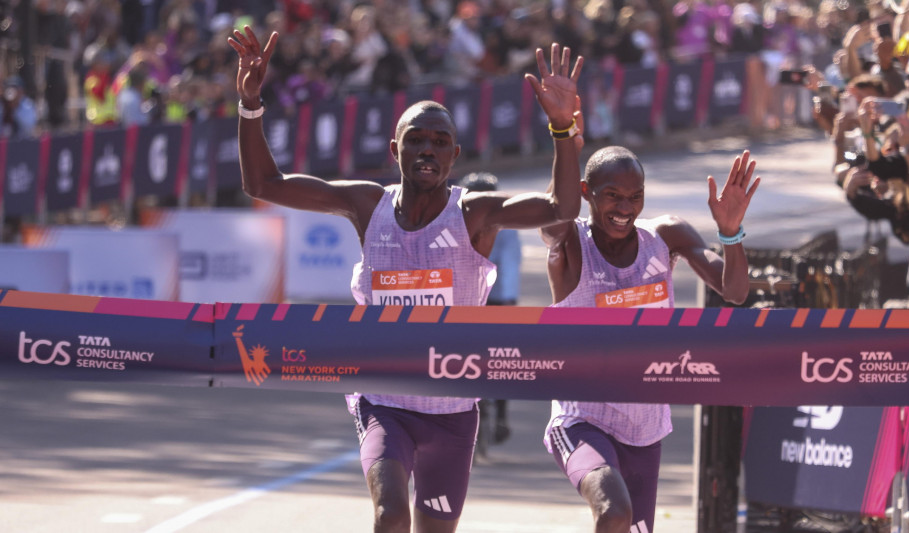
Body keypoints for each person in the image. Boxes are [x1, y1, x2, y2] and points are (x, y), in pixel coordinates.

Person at [228, 26, 584, 533]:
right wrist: (250, 104)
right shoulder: (366, 204)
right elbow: (263, 184)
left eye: (440, 143)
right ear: (395, 150)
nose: (427, 150)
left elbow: (560, 208)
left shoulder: (474, 214)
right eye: (416, 140)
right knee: (390, 516)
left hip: (452, 409)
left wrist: (562, 129)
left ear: (455, 156)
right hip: (384, 399)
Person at [540, 143, 760, 533]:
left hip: (644, 429)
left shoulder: (664, 235)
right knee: (613, 513)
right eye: (613, 196)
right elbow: (552, 218)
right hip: (582, 420)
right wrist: (565, 142)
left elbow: (735, 291)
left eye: (635, 196)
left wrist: (730, 233)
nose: (625, 208)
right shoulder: (572, 244)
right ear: (587, 192)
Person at [458, 171, 522, 457]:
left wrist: (505, 302)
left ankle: (500, 417)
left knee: (499, 358)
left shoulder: (503, 226)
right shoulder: (458, 221)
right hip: (481, 298)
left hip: (492, 298)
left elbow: (508, 265)